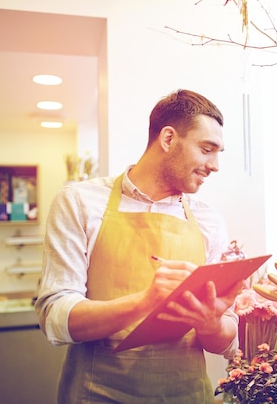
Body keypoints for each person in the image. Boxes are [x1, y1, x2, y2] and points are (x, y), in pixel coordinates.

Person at [35, 89, 243, 403]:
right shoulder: (79, 201)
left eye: (218, 152)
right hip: (96, 394)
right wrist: (146, 301)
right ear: (169, 139)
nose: (214, 165)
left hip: (187, 395)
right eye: (206, 149)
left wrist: (209, 322)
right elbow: (55, 318)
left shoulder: (208, 220)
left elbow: (227, 342)